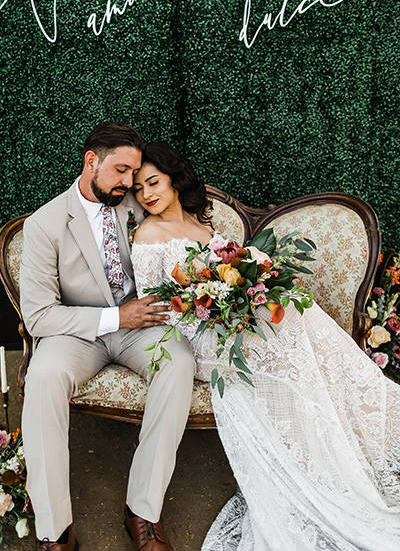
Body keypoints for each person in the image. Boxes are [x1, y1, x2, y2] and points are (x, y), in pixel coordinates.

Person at [131, 141, 400, 551]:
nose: (147, 194)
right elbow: (158, 307)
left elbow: (229, 272)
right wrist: (212, 312)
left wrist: (250, 290)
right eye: (138, 189)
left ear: (173, 179)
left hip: (229, 323)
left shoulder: (204, 226)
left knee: (290, 314)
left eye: (153, 182)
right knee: (285, 327)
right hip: (199, 336)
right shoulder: (148, 234)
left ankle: (343, 437)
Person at [20, 123, 195, 551]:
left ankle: (142, 512)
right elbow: (39, 316)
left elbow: (175, 225)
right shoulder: (44, 224)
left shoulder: (133, 203)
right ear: (91, 161)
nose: (127, 184)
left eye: (133, 175)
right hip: (77, 333)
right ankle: (54, 530)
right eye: (119, 171)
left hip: (142, 324)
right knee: (43, 378)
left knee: (179, 362)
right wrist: (116, 316)